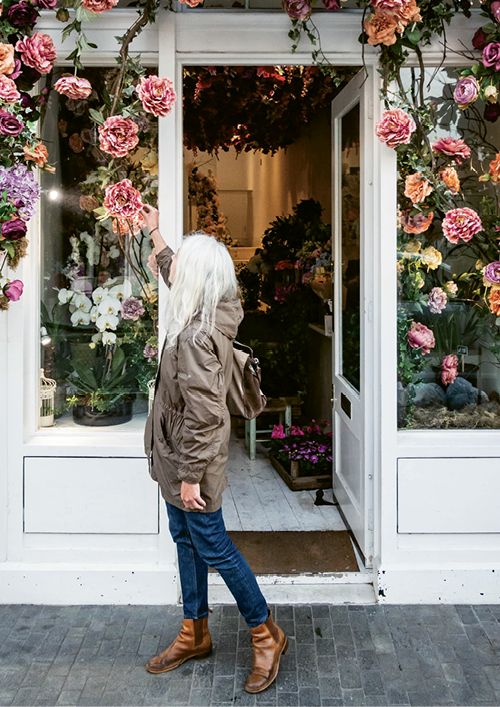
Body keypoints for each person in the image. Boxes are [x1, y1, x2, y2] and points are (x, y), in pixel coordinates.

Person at [140, 204, 288, 695]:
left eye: (182, 259)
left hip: (190, 460)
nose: (173, 263)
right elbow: (175, 269)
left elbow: (206, 418)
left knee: (213, 545)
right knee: (187, 541)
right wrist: (154, 232)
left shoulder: (198, 338)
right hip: (177, 454)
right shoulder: (218, 306)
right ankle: (194, 632)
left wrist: (188, 476)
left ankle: (266, 633)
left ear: (197, 278)